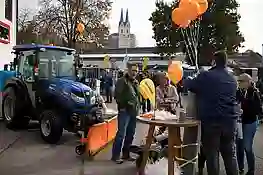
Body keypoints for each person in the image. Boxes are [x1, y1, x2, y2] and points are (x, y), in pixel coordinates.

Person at [184, 50, 240, 175]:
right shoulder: (232, 79)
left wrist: (191, 77)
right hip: (230, 122)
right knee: (230, 155)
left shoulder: (206, 76)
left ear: (214, 62)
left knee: (212, 155)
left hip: (211, 122)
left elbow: (189, 84)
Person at [111, 63, 140, 164]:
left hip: (133, 112)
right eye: (133, 70)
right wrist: (127, 104)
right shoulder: (122, 81)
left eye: (136, 71)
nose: (134, 72)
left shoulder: (135, 82)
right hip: (124, 111)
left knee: (130, 134)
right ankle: (115, 155)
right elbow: (117, 96)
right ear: (128, 70)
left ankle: (126, 154)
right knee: (121, 134)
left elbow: (137, 96)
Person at [236, 73, 261, 175]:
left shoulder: (254, 93)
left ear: (248, 82)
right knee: (239, 147)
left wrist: (244, 106)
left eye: (241, 81)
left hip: (250, 122)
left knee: (247, 146)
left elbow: (257, 109)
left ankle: (251, 170)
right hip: (239, 122)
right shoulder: (238, 91)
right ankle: (240, 168)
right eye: (238, 81)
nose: (239, 83)